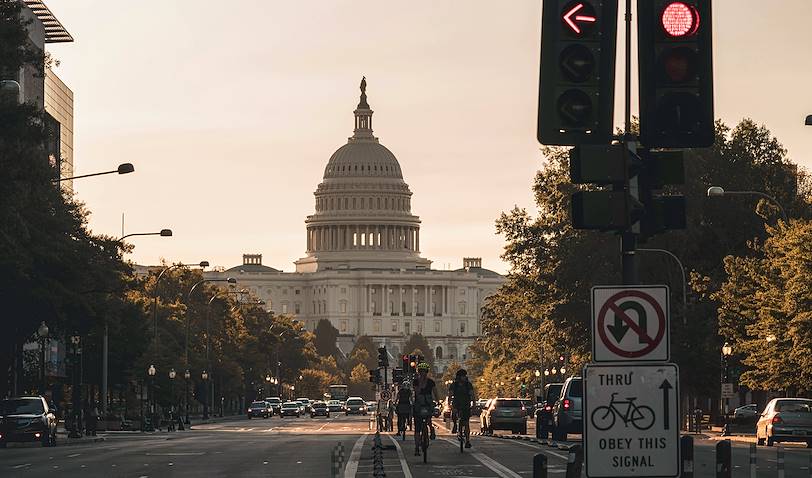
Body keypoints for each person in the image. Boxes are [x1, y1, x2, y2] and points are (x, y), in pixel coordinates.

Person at [412, 362, 439, 456]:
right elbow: (417, 391)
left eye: (424, 372)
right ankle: (416, 448)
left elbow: (435, 393)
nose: (422, 373)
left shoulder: (431, 382)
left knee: (429, 418)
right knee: (417, 428)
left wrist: (438, 401)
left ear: (426, 372)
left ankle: (431, 429)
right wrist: (420, 383)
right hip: (419, 405)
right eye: (421, 372)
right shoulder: (416, 381)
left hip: (428, 404)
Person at [448, 369, 476, 448]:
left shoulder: (468, 385)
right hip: (456, 404)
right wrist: (449, 405)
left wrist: (474, 404)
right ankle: (454, 425)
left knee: (466, 423)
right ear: (459, 377)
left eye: (465, 375)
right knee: (453, 414)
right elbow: (450, 395)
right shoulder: (454, 385)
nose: (464, 377)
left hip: (466, 404)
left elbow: (472, 395)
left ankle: (467, 441)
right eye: (463, 376)